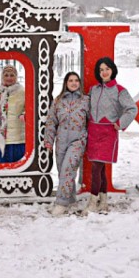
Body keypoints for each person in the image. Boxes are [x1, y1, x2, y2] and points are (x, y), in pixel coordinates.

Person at [86, 57, 137, 214]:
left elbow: (132, 108)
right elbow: (87, 109)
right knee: (100, 170)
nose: (104, 72)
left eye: (107, 69)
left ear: (112, 70)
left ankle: (93, 202)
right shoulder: (93, 90)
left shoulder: (120, 90)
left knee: (96, 168)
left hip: (108, 133)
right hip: (93, 132)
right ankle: (104, 201)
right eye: (101, 70)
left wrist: (120, 123)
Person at [44, 72, 89, 216]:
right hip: (61, 140)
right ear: (66, 83)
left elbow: (92, 121)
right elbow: (51, 121)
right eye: (71, 80)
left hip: (78, 139)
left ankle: (61, 203)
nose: (74, 83)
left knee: (67, 170)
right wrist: (49, 141)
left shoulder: (85, 100)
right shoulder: (58, 101)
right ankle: (70, 200)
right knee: (62, 171)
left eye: (76, 80)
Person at [0, 65, 26, 163]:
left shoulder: (22, 91)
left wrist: (24, 114)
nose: (9, 78)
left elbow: (28, 109)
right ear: (2, 76)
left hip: (17, 139)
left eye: (12, 75)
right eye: (6, 75)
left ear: (16, 77)